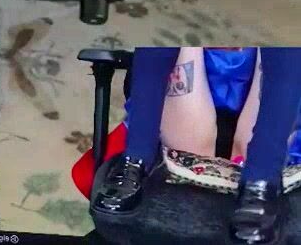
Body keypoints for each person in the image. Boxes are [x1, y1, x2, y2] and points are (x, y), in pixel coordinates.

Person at [91, 47, 301, 244]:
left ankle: (261, 179)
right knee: (176, 33)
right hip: (182, 103)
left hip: (273, 95)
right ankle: (137, 158)